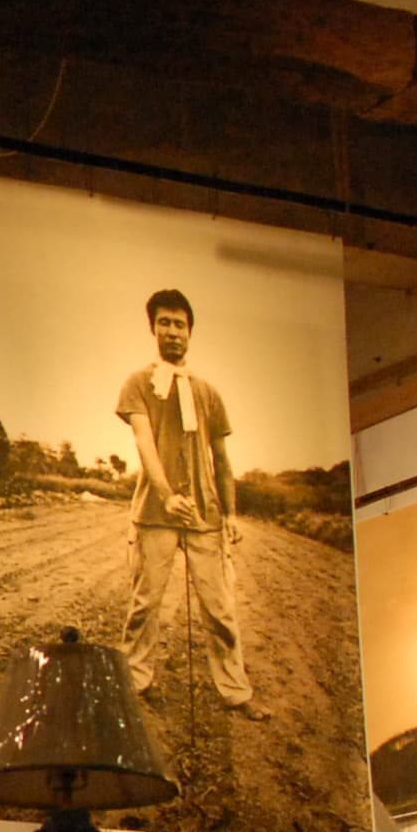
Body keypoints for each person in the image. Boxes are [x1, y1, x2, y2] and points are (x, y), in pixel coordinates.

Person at [116, 286, 252, 710]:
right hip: (156, 511)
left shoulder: (208, 392)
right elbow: (144, 443)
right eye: (164, 323)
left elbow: (222, 459)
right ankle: (134, 684)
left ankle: (235, 692)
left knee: (220, 609)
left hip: (204, 515)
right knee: (144, 605)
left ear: (190, 331)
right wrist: (167, 495)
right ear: (153, 329)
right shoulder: (138, 384)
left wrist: (229, 513)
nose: (172, 331)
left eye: (180, 324)